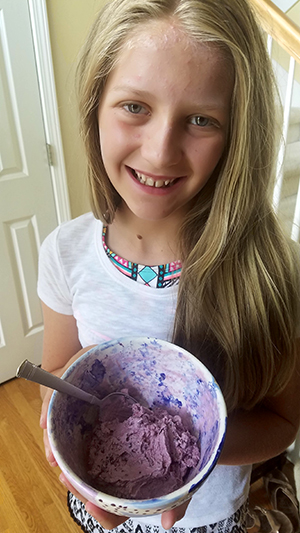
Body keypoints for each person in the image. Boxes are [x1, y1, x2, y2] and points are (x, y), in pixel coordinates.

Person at [38, 0, 300, 532]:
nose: (160, 153)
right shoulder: (65, 255)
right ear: (95, 107)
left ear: (237, 136)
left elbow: (282, 424)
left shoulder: (269, 274)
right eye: (135, 106)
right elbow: (52, 378)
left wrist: (200, 450)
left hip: (209, 518)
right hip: (97, 495)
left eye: (201, 120)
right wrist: (64, 404)